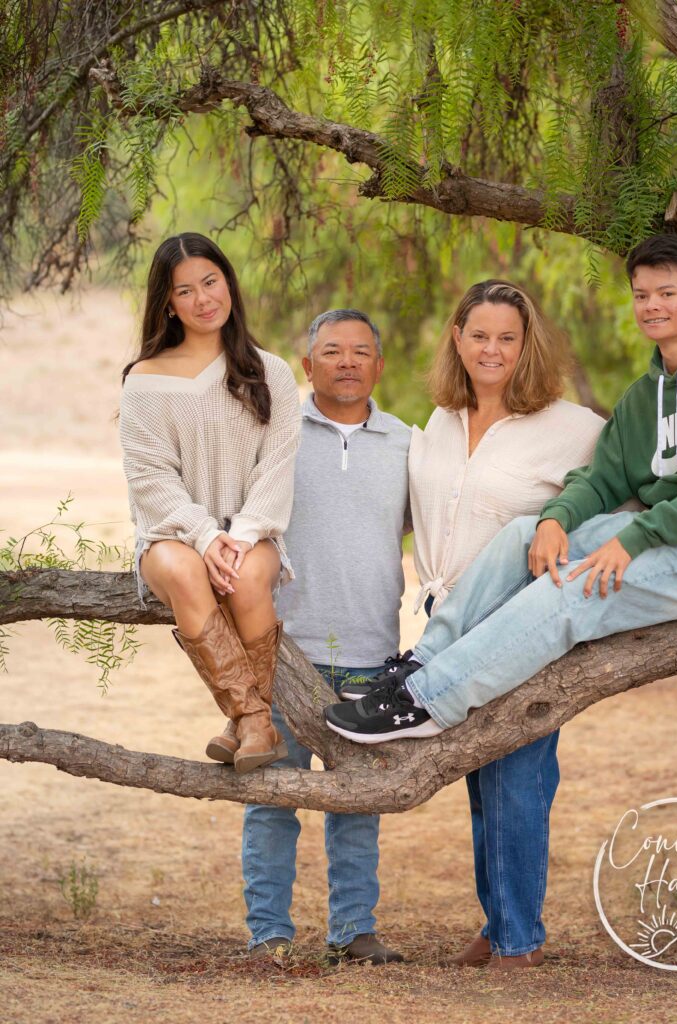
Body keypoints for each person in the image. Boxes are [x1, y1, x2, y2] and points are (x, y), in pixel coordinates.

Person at [326, 235, 677, 756]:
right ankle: (422, 664)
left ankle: (427, 702)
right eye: (641, 295)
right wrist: (556, 518)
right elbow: (602, 478)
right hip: (672, 537)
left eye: (667, 293)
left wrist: (635, 539)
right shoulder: (644, 396)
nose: (652, 306)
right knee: (524, 533)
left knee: (575, 587)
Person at [340, 280, 603, 970]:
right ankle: (498, 922)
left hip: (518, 625)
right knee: (480, 778)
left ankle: (520, 940)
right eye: (479, 335)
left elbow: (613, 505)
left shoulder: (573, 428)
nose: (492, 350)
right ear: (457, 339)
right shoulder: (439, 421)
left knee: (517, 776)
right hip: (442, 620)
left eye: (507, 338)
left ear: (527, 344)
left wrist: (562, 542)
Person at [242, 309, 410, 967]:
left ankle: (354, 931)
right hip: (283, 653)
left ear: (379, 366)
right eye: (332, 351)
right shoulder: (275, 436)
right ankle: (269, 935)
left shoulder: (407, 443)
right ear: (307, 365)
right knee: (271, 800)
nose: (347, 362)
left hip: (372, 655)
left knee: (357, 805)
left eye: (360, 351)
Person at [119, 232, 300, 774]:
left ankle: (244, 725)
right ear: (167, 304)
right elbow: (150, 477)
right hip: (171, 535)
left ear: (228, 283)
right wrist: (203, 536)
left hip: (252, 533)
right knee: (184, 569)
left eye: (210, 282)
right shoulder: (144, 381)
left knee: (245, 576)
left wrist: (237, 537)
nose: (203, 299)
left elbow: (277, 466)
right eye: (185, 291)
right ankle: (254, 719)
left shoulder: (271, 372)